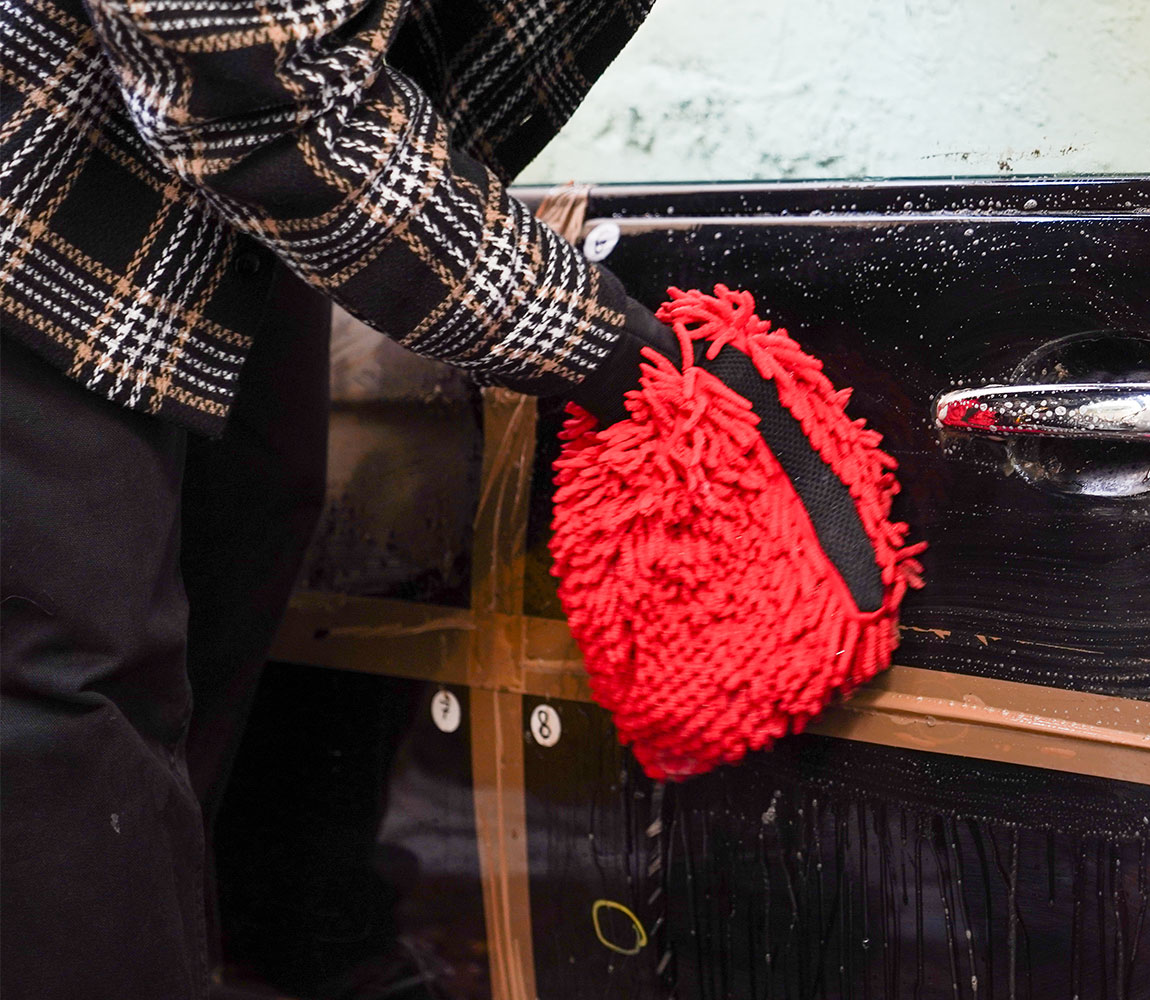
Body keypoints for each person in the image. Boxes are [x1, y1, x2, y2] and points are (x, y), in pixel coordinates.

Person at [0, 1, 671, 996]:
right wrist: (616, 350)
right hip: (58, 172)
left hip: (219, 204)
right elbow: (237, 69)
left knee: (218, 610)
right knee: (63, 706)